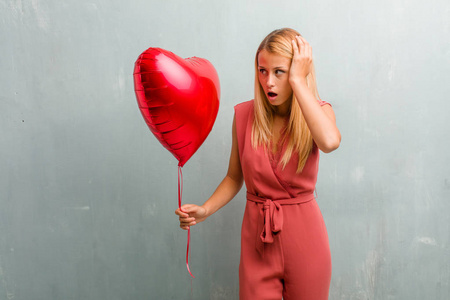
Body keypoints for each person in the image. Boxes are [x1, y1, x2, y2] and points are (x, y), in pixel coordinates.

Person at [175, 28, 341, 300]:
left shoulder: (318, 111)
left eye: (279, 72)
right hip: (257, 242)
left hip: (306, 240)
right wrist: (205, 209)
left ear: (298, 71)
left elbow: (330, 142)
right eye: (262, 71)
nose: (269, 82)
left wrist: (299, 81)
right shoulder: (244, 115)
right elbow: (233, 177)